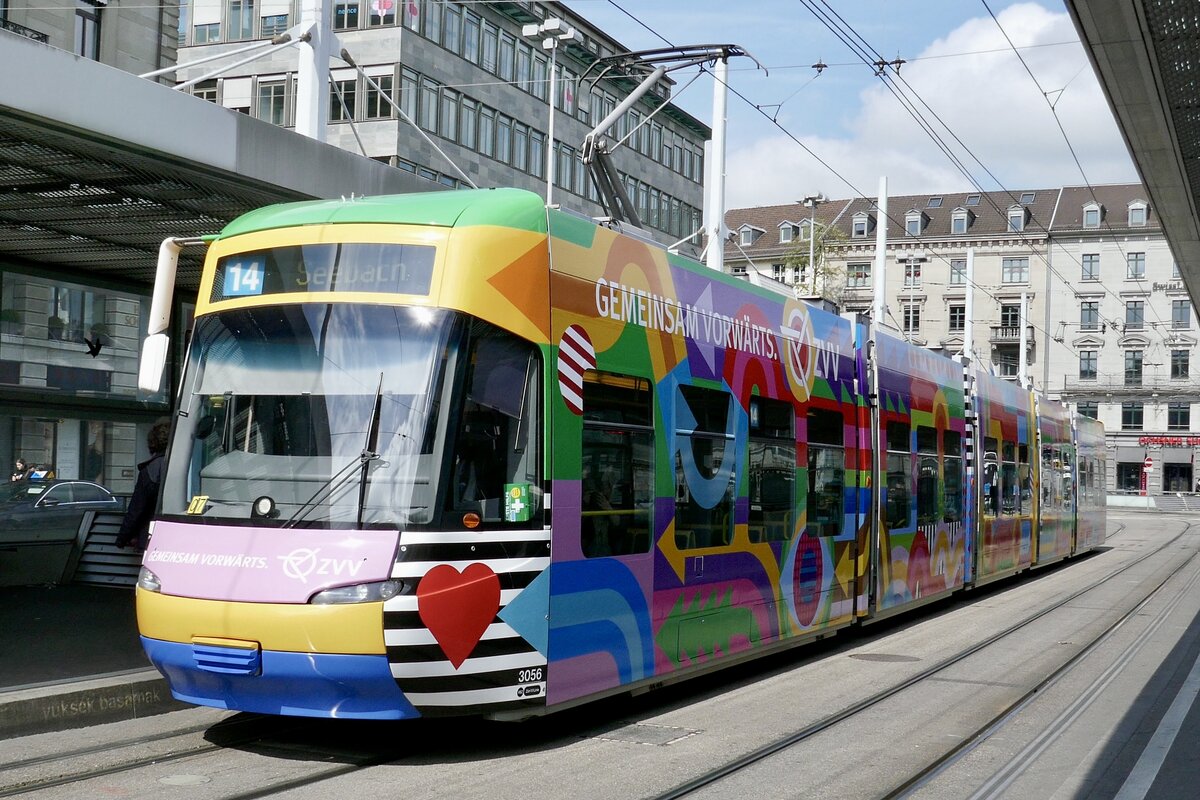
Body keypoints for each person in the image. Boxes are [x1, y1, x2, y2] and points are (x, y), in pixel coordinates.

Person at [116, 418, 170, 550]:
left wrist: (122, 539)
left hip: (150, 538)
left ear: (152, 443)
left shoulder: (150, 470)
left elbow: (136, 509)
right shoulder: (184, 468)